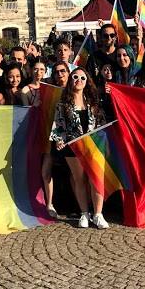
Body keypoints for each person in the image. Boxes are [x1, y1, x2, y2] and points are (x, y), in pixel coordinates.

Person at [51, 67, 108, 229]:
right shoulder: (63, 103)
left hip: (94, 146)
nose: (79, 80)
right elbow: (59, 125)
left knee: (96, 180)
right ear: (70, 80)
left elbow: (101, 122)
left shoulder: (93, 101)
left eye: (83, 78)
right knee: (79, 180)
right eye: (75, 77)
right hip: (73, 146)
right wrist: (59, 140)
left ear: (87, 81)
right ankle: (84, 213)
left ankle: (98, 214)